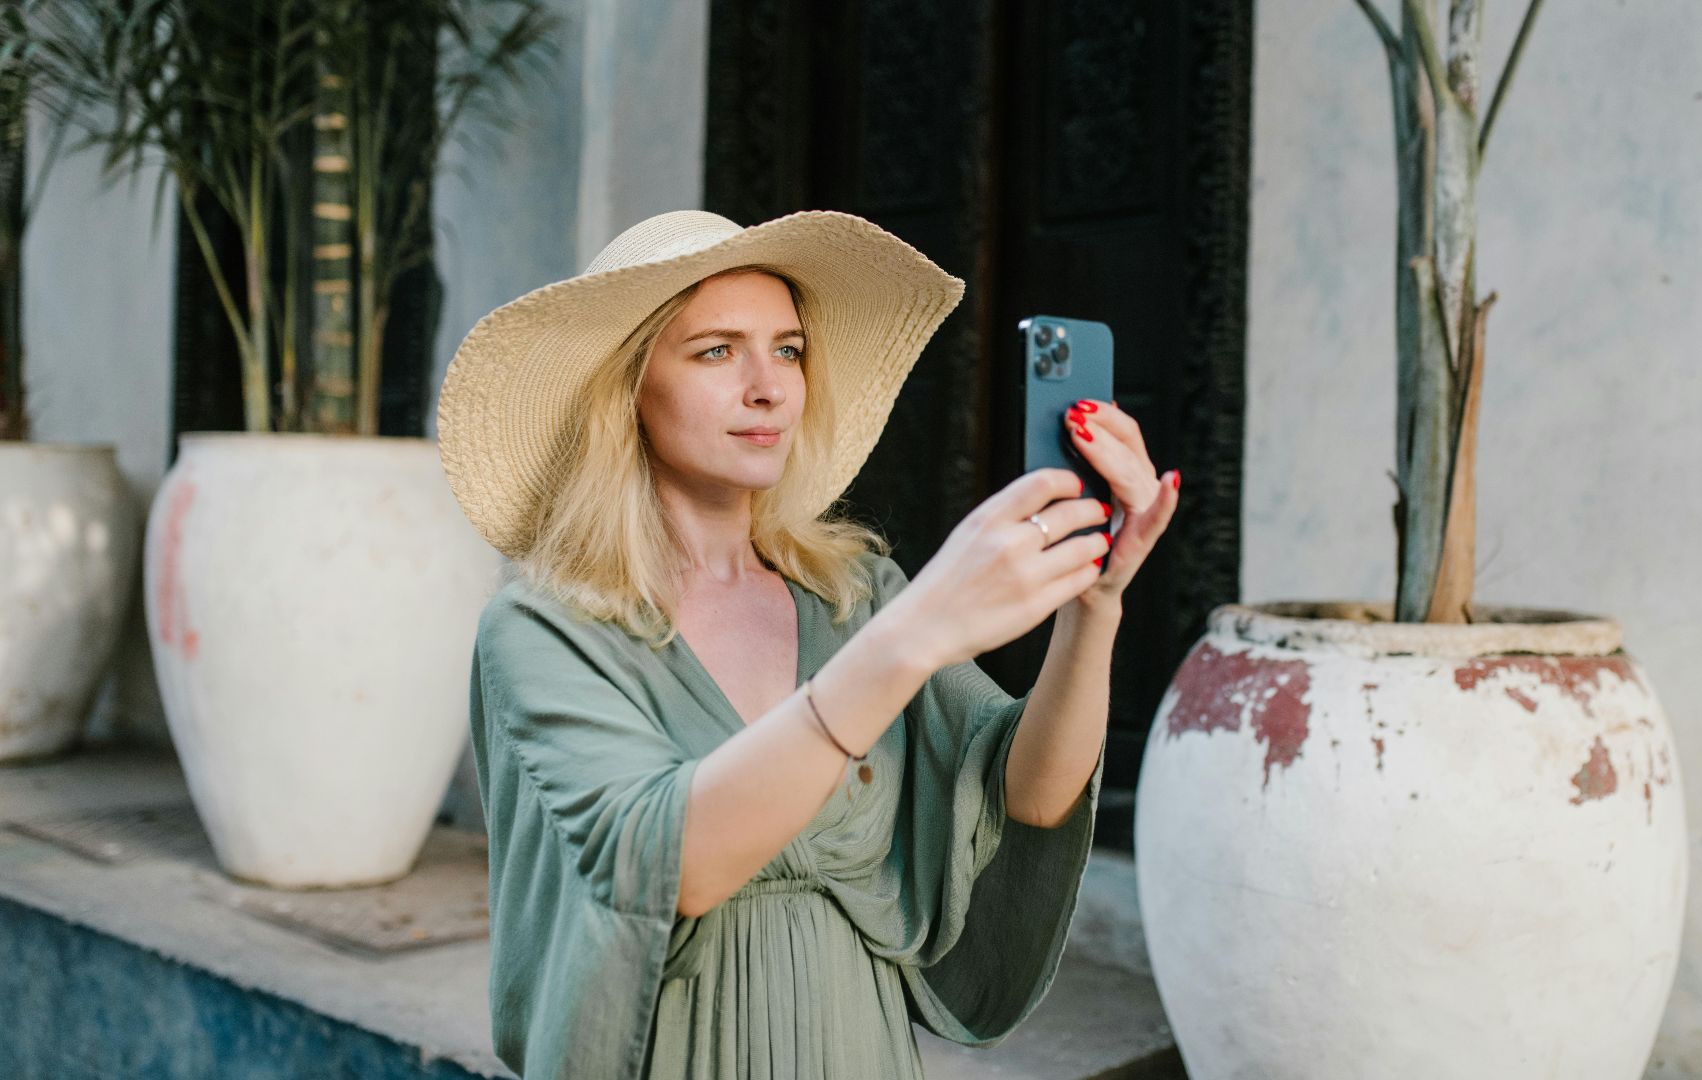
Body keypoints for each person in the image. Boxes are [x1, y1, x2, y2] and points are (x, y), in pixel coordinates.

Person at [435, 209, 1179, 1079]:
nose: (770, 387)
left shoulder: (853, 594)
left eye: (787, 349)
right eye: (717, 351)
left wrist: (1096, 603)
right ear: (627, 385)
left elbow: (1035, 793)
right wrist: (912, 637)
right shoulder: (543, 630)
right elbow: (672, 864)